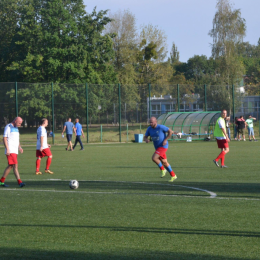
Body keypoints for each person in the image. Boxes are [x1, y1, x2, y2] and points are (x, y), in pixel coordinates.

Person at [144, 117, 177, 182]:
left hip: (163, 146)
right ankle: (173, 175)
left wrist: (165, 140)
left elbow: (170, 131)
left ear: (156, 122)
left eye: (152, 122)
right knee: (165, 162)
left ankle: (162, 169)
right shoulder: (149, 129)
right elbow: (145, 137)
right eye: (150, 122)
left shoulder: (161, 127)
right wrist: (146, 140)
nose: (150, 123)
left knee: (154, 158)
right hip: (157, 147)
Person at [0, 117, 25, 187]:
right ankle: (20, 182)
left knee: (11, 166)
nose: (20, 124)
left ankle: (1, 181)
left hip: (15, 150)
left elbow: (17, 139)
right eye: (19, 123)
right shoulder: (8, 127)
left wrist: (19, 147)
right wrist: (7, 149)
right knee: (15, 166)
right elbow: (4, 138)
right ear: (15, 121)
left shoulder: (16, 128)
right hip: (10, 150)